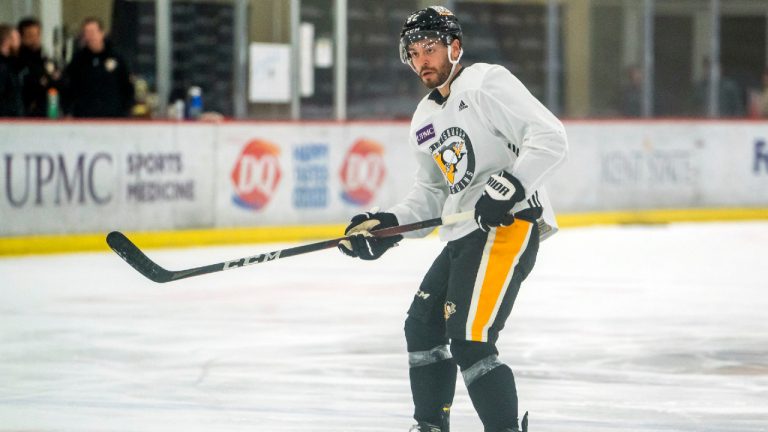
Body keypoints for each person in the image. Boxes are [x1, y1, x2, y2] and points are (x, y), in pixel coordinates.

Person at [338, 6, 567, 432]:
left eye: (430, 48)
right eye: (414, 52)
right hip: (464, 234)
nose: (422, 59)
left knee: (470, 338)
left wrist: (512, 185)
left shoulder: (485, 82)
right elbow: (431, 198)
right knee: (422, 328)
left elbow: (550, 137)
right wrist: (385, 226)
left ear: (455, 48)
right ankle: (429, 426)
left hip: (508, 225)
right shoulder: (424, 119)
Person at [62, 17, 134, 117]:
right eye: (86, 33)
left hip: (112, 117)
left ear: (102, 33)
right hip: (84, 118)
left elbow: (127, 87)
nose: (89, 37)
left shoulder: (117, 58)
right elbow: (68, 87)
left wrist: (125, 111)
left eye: (92, 32)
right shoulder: (78, 60)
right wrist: (68, 110)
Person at [17, 17, 60, 117]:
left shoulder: (46, 58)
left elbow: (58, 80)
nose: (35, 39)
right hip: (26, 112)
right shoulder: (18, 61)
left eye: (37, 34)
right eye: (30, 35)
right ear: (22, 37)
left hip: (48, 110)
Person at [0, 23, 24, 117]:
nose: (19, 43)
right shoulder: (3, 67)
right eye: (17, 39)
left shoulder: (10, 65)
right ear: (7, 41)